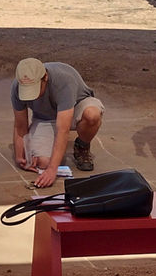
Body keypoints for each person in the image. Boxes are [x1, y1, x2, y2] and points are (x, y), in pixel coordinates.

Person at [10, 58, 105, 188]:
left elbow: (63, 130)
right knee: (43, 162)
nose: (32, 96)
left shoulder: (63, 80)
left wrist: (52, 170)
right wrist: (20, 155)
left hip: (76, 106)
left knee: (92, 115)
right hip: (46, 117)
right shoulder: (17, 86)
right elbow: (20, 125)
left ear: (45, 78)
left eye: (35, 89)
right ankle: (43, 143)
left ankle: (82, 146)